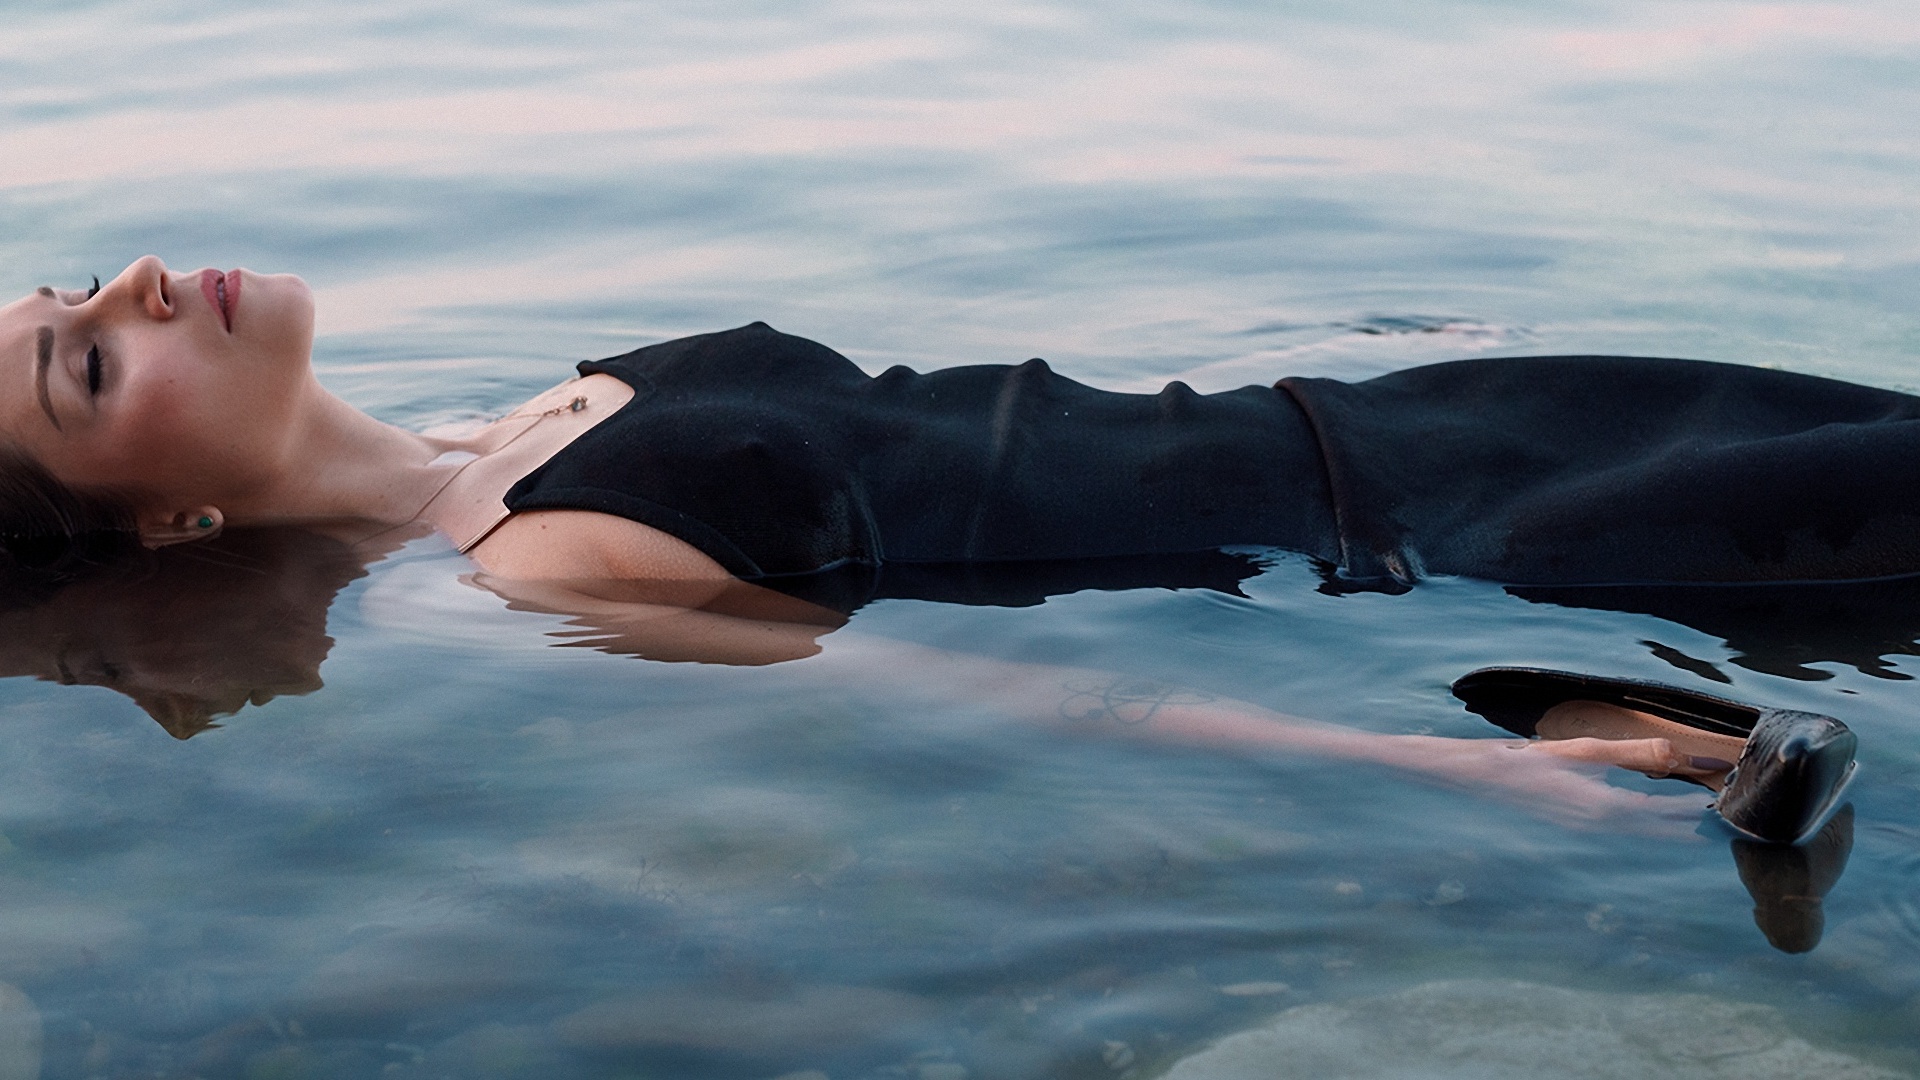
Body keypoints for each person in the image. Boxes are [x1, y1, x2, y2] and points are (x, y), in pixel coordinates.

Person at [0, 257, 1892, 822]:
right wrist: (1440, 764)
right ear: (166, 517)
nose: (148, 283)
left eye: (78, 289)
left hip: (1435, 424)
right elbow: (1024, 705)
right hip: (1480, 533)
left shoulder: (518, 415)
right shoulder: (545, 563)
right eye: (89, 362)